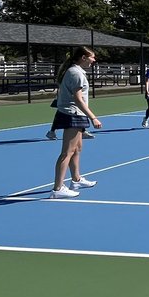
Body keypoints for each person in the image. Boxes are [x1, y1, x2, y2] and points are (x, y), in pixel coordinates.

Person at [49, 46, 102, 199]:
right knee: (67, 152)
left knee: (77, 149)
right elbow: (78, 99)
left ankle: (76, 180)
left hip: (77, 114)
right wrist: (93, 117)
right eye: (92, 57)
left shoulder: (77, 72)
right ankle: (57, 189)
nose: (94, 60)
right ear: (83, 58)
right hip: (72, 114)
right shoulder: (76, 73)